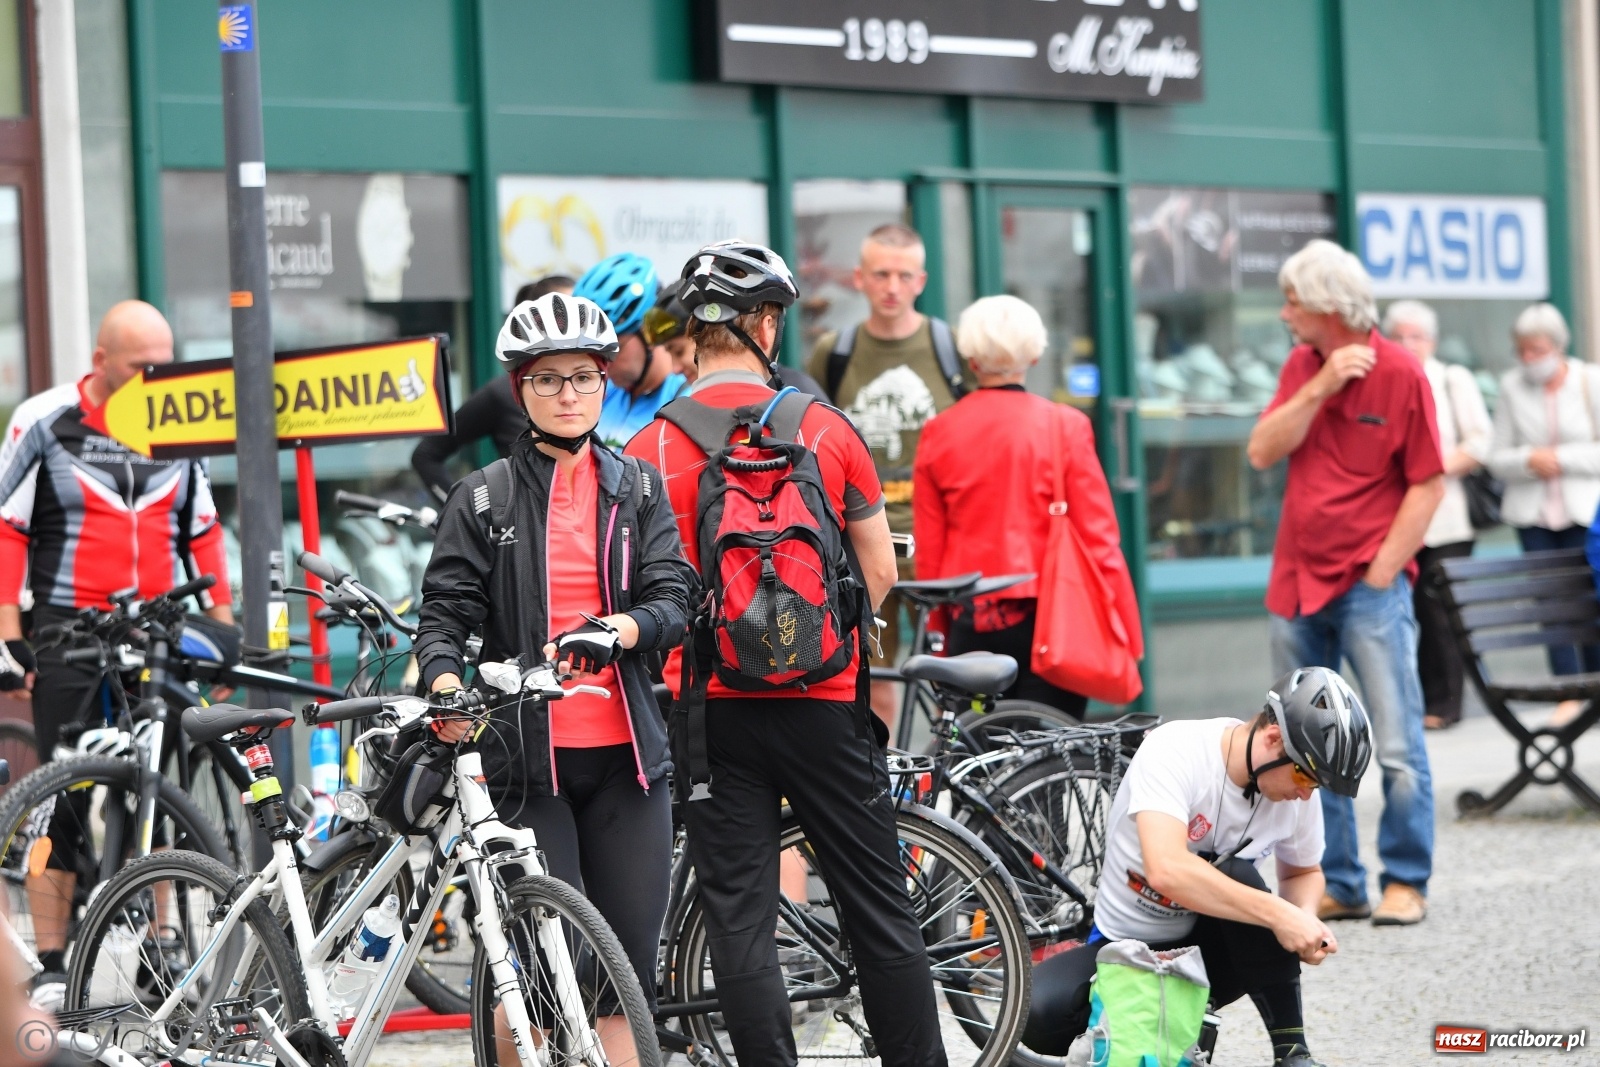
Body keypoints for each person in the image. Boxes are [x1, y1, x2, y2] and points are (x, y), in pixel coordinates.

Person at [626, 240, 947, 1067]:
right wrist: (813, 646)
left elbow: (637, 595)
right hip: (824, 702)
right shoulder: (825, 428)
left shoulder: (645, 452)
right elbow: (881, 568)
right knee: (878, 905)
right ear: (766, 322)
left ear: (692, 332)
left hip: (708, 713)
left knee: (740, 914)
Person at [414, 290, 694, 1063]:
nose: (568, 394)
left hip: (628, 761)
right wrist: (443, 683)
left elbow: (675, 597)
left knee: (625, 976)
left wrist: (618, 629)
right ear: (520, 389)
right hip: (525, 766)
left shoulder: (636, 488)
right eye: (548, 379)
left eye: (583, 377)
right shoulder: (483, 496)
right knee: (538, 969)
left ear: (605, 382)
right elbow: (442, 615)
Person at [0, 299, 235, 985]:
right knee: (63, 792)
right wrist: (9, 638)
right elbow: (8, 529)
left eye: (165, 364)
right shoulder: (44, 420)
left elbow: (203, 532)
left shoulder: (178, 422)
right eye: (142, 367)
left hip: (158, 628)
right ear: (101, 362)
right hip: (70, 626)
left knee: (157, 789)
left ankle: (160, 943)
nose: (157, 377)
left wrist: (221, 626)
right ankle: (51, 957)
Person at [1024, 667, 1371, 1067]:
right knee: (1037, 1013)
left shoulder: (1297, 797)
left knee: (1239, 876)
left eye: (1316, 786)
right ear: (1274, 738)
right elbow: (1166, 868)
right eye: (1304, 776)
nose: (1306, 794)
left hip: (1212, 953)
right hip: (1122, 945)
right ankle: (1146, 1021)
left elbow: (1302, 873)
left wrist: (1303, 921)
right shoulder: (1178, 749)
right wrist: (1281, 914)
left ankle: (1292, 1053)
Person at [1247, 239, 1443, 928]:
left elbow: (1429, 481)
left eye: (1293, 301)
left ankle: (1406, 877)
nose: (1285, 313)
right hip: (1296, 582)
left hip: (1369, 584)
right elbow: (1263, 448)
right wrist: (1320, 384)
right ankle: (1340, 880)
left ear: (1328, 306)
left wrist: (1385, 566)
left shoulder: (1402, 373)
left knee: (1393, 739)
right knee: (1304, 741)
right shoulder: (1304, 365)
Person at [912, 294, 1141, 717]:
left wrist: (937, 628)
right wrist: (1125, 626)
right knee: (1050, 757)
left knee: (977, 761)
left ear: (972, 359)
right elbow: (1099, 538)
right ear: (1034, 356)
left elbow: (930, 547)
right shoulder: (1064, 426)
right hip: (1055, 612)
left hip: (971, 612)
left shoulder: (939, 432)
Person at [806, 223, 968, 729]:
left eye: (903, 275)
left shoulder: (951, 348)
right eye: (880, 274)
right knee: (871, 682)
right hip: (865, 546)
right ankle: (888, 794)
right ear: (859, 278)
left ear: (921, 280)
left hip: (939, 549)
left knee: (952, 687)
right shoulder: (835, 352)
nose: (892, 286)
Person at [1383, 300, 1491, 730]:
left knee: (1440, 613)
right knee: (1402, 612)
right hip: (1397, 519)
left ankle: (1446, 703)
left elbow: (1480, 442)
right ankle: (1411, 702)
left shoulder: (1452, 379)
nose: (1408, 344)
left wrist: (1432, 468)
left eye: (1417, 336)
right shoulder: (1386, 380)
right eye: (1399, 335)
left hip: (1446, 518)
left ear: (1432, 341)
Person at [1486, 302, 1600, 692]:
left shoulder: (1589, 380)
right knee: (1549, 605)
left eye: (1537, 350)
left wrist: (1562, 458)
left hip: (1583, 511)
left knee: (1589, 599)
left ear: (1557, 346)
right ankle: (1566, 688)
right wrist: (1530, 460)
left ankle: (1595, 686)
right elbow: (1496, 456)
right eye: (1522, 351)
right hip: (1533, 514)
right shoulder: (1511, 387)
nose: (1529, 359)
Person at [411, 274, 575, 501]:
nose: (581, 320)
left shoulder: (607, 390)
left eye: (586, 379)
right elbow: (427, 453)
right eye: (566, 312)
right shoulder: (501, 393)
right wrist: (462, 516)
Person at [647, 279, 830, 402]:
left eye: (679, 352)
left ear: (706, 335)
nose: (675, 369)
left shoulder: (797, 393)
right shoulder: (692, 402)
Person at [576, 253, 687, 450]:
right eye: (593, 353)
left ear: (649, 331)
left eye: (613, 348)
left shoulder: (687, 400)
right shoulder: (600, 395)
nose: (603, 363)